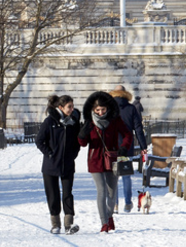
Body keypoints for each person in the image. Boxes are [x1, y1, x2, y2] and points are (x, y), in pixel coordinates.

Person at [78, 91, 134, 233]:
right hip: (95, 160)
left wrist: (123, 148)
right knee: (101, 191)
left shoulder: (115, 120)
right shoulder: (89, 122)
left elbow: (128, 134)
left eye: (103, 109)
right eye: (98, 110)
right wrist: (82, 134)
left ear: (108, 108)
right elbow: (83, 143)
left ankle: (109, 217)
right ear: (93, 110)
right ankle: (104, 222)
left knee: (111, 192)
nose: (101, 112)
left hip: (112, 159)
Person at [35, 94, 81, 234]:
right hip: (50, 166)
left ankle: (69, 224)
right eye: (69, 107)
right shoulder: (50, 121)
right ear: (61, 107)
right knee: (53, 195)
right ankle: (55, 224)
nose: (72, 109)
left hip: (67, 164)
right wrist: (50, 154)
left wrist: (73, 154)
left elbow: (77, 143)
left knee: (67, 194)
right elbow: (39, 140)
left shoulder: (74, 122)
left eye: (72, 106)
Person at [111, 85, 148, 213]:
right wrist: (143, 146)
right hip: (126, 147)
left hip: (112, 147)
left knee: (113, 177)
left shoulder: (109, 109)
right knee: (126, 176)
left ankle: (114, 204)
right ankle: (127, 203)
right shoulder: (131, 109)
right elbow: (138, 128)